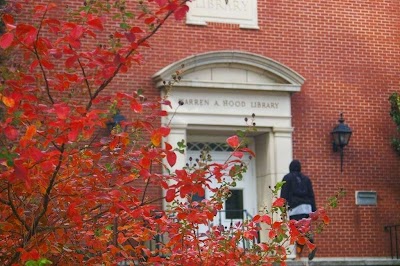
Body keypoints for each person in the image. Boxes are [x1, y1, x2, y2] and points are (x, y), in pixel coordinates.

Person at [280, 159, 317, 261]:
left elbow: (283, 196)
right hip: (307, 207)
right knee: (305, 230)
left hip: (296, 208)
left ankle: (308, 248)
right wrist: (314, 211)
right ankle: (299, 255)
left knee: (297, 233)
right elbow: (311, 195)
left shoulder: (287, 178)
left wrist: (283, 211)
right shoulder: (306, 179)